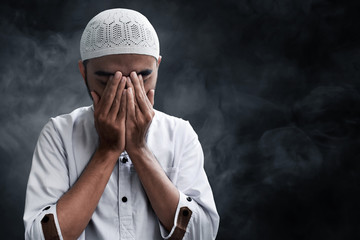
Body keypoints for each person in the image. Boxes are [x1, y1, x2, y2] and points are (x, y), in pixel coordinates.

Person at [23, 8, 219, 240]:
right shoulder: (59, 134)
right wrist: (107, 150)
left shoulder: (180, 134)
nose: (126, 91)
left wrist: (139, 149)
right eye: (107, 80)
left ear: (158, 66)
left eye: (143, 77)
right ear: (83, 72)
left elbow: (203, 234)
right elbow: (39, 237)